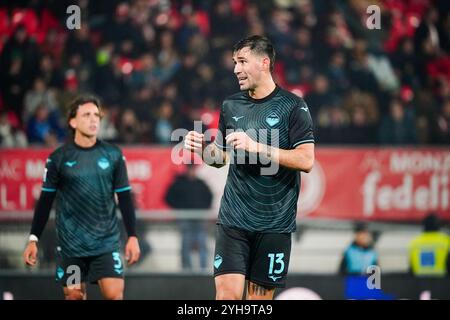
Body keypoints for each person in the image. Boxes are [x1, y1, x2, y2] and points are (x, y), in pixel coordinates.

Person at [184, 35, 315, 300]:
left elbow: (306, 160)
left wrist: (258, 147)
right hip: (234, 219)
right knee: (227, 297)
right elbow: (219, 157)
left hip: (274, 225)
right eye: (234, 62)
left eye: (242, 61)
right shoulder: (231, 105)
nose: (235, 69)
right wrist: (202, 148)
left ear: (264, 63)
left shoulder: (293, 106)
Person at [22, 95, 140, 300]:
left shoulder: (113, 154)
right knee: (75, 296)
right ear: (73, 122)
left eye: (97, 115)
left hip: (106, 243)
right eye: (87, 115)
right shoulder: (58, 158)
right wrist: (34, 238)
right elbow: (45, 201)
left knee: (115, 295)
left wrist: (132, 236)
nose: (94, 119)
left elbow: (125, 198)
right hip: (71, 246)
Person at [165, 164, 213, 271]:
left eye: (193, 169)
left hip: (199, 218)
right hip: (185, 218)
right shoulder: (179, 183)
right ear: (187, 170)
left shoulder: (201, 183)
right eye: (190, 169)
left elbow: (209, 197)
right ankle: (186, 269)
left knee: (202, 242)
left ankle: (203, 269)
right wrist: (180, 209)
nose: (192, 172)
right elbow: (168, 197)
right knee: (186, 243)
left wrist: (203, 209)